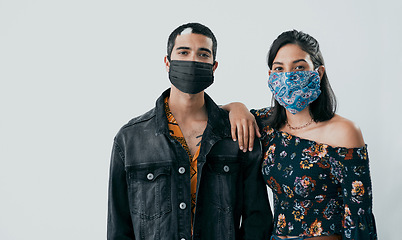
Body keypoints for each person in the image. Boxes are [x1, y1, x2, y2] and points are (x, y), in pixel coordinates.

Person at [107, 22, 273, 240]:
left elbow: (257, 221)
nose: (193, 60)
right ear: (167, 62)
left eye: (203, 54)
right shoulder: (130, 139)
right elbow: (119, 227)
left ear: (214, 66)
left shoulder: (237, 133)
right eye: (183, 52)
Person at [223, 30, 377, 239]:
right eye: (279, 68)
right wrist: (237, 106)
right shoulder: (265, 125)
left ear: (318, 72)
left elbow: (359, 218)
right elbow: (213, 115)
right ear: (271, 77)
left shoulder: (344, 132)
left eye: (299, 67)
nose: (288, 76)